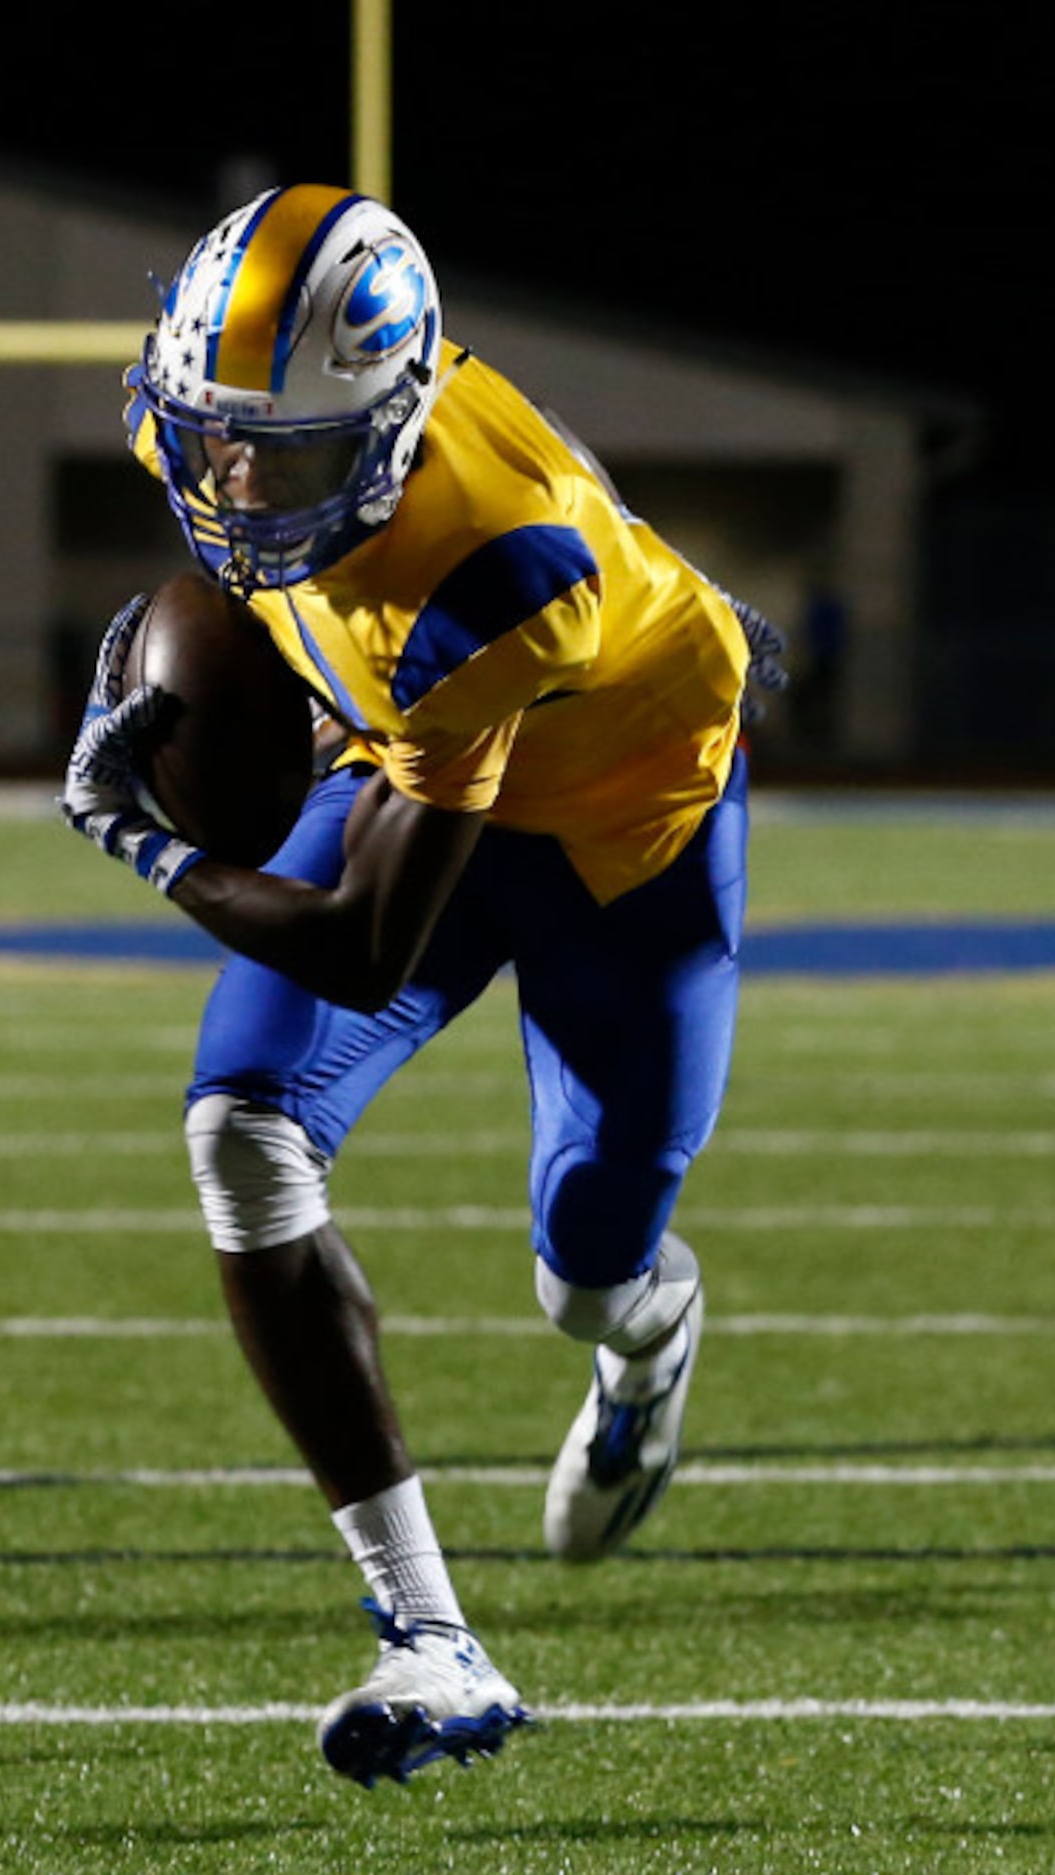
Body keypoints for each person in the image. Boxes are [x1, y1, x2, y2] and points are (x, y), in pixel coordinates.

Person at [56, 185, 778, 1782]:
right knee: (244, 1138)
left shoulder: (499, 570)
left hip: (618, 827)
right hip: (421, 746)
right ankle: (433, 1638)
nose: (237, 481)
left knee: (586, 1264)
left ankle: (648, 1339)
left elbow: (365, 940)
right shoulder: (250, 422)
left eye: (287, 456)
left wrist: (140, 838)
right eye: (217, 438)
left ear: (383, 430)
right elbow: (266, 548)